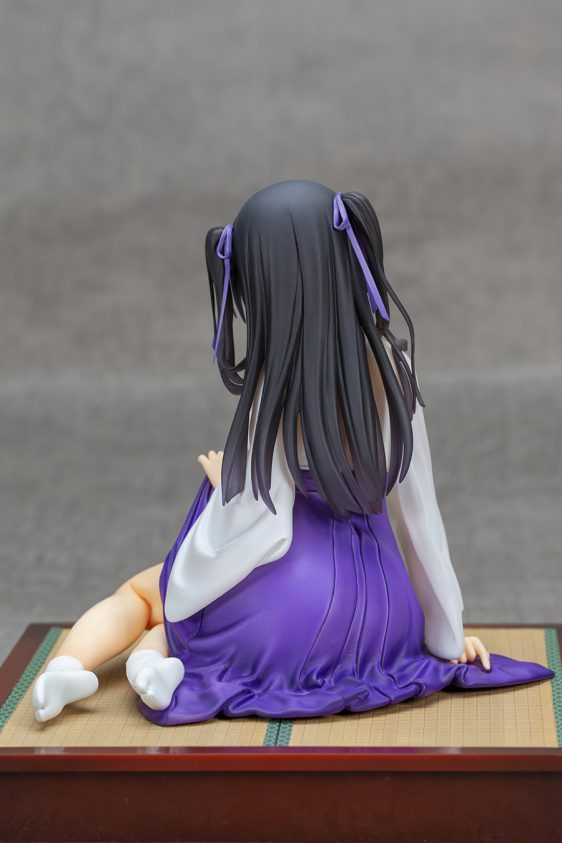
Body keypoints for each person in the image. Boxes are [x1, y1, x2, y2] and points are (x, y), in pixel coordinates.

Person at [32, 180, 554, 724]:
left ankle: (77, 666)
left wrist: (226, 486)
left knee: (156, 597)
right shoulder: (394, 369)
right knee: (186, 615)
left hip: (293, 615)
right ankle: (155, 664)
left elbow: (265, 516)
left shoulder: (274, 384)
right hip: (387, 619)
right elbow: (420, 515)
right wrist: (446, 636)